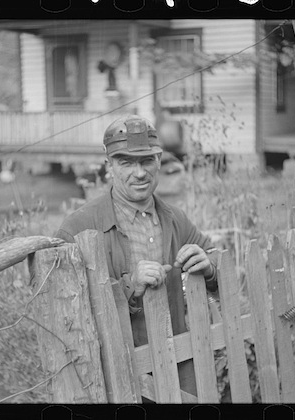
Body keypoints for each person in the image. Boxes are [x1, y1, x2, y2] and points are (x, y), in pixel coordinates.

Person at [54, 114, 219, 397]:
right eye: (126, 162)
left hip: (177, 363)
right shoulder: (77, 228)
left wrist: (209, 266)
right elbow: (65, 312)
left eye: (146, 161)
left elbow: (215, 258)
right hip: (115, 373)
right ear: (109, 165)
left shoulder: (174, 219)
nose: (140, 173)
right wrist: (129, 286)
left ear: (159, 160)